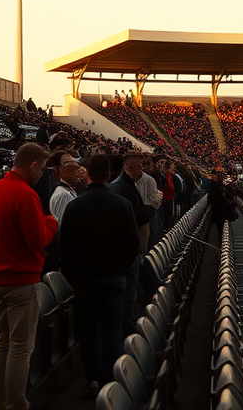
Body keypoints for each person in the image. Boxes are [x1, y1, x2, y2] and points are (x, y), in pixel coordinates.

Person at [0, 143, 59, 410]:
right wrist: (51, 222)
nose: (43, 174)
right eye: (42, 169)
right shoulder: (25, 194)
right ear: (32, 166)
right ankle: (17, 404)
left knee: (3, 344)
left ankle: (1, 403)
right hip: (21, 280)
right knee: (21, 348)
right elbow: (37, 238)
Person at [58, 154, 140, 398]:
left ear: (88, 175)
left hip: (85, 279)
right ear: (108, 176)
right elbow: (133, 243)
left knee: (88, 330)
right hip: (114, 277)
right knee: (113, 328)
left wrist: (72, 276)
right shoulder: (121, 204)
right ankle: (111, 378)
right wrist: (121, 268)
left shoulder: (74, 205)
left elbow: (66, 247)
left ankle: (92, 379)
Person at [108, 153, 156, 332]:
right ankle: (128, 324)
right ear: (128, 168)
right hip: (128, 248)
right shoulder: (126, 188)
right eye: (138, 168)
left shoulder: (120, 186)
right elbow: (139, 216)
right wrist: (151, 209)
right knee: (130, 289)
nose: (141, 172)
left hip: (123, 249)